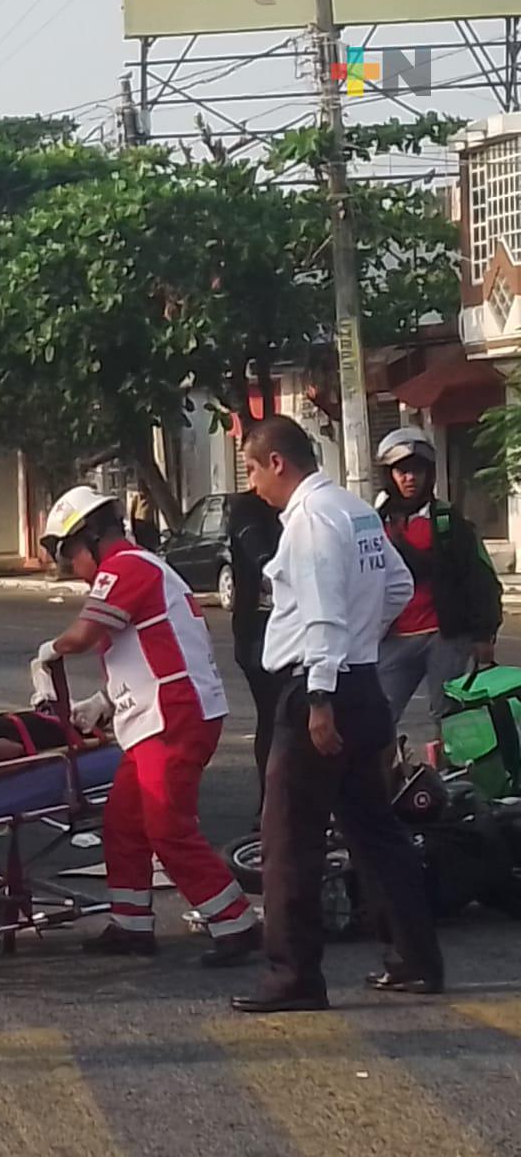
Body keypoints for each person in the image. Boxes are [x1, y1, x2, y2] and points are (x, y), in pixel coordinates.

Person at [234, 415, 442, 1013]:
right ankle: (416, 959)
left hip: (317, 693)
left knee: (289, 839)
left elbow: (322, 613)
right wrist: (360, 643)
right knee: (375, 831)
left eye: (251, 468)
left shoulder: (309, 520)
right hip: (361, 686)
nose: (252, 484)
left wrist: (321, 694)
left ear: (278, 463)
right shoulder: (353, 511)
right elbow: (397, 587)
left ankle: (293, 975)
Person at [32, 485, 261, 966]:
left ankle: (235, 922)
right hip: (159, 713)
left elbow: (85, 634)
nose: (71, 565)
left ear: (91, 536)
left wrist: (49, 652)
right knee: (123, 822)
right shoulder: (141, 568)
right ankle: (132, 924)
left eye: (69, 552)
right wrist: (103, 702)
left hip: (172, 715)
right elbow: (146, 655)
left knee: (166, 827)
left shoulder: (126, 567)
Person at [374, 427, 503, 753]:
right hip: (393, 637)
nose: (409, 478)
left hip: (445, 636)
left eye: (416, 470)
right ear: (389, 475)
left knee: (449, 717)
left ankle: (455, 787)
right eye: (401, 470)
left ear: (429, 474)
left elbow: (480, 578)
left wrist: (483, 635)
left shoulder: (447, 520)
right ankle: (379, 789)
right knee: (376, 716)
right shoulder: (373, 523)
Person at [228, 490, 284, 824]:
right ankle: (271, 806)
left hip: (298, 629)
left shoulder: (304, 504)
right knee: (275, 717)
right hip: (258, 632)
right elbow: (258, 554)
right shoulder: (247, 508)